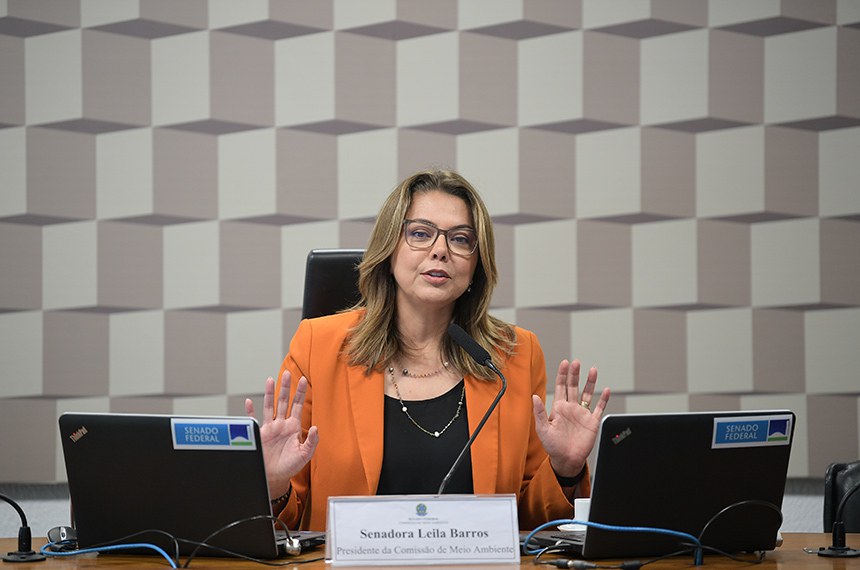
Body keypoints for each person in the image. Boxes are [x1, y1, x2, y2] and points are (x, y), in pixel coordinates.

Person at [245, 168, 610, 531]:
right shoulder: (318, 346)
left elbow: (531, 525)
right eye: (420, 233)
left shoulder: (513, 356)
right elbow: (288, 525)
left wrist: (565, 469)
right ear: (389, 248)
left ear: (476, 264)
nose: (440, 251)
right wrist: (273, 482)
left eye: (461, 239)